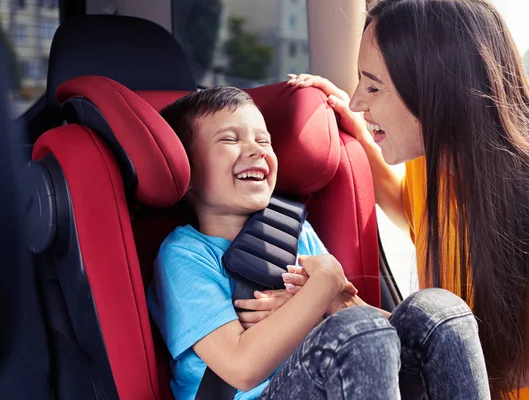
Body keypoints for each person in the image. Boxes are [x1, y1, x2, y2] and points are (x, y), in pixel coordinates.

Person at [260, 0, 529, 399]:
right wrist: (364, 139)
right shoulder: (436, 161)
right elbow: (412, 212)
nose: (356, 101)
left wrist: (343, 310)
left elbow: (488, 365)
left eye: (372, 86)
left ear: (435, 90)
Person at [147, 86, 491, 399]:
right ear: (186, 171)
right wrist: (323, 282)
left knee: (437, 312)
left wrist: (327, 302)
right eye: (230, 140)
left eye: (263, 141)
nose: (254, 149)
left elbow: (370, 328)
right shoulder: (185, 255)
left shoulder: (294, 231)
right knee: (355, 331)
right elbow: (242, 368)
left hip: (328, 382)